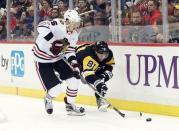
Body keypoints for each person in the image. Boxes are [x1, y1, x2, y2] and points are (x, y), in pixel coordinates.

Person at [32, 9, 85, 116]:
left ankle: (70, 105)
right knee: (56, 89)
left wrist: (75, 66)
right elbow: (40, 26)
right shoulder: (57, 24)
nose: (76, 26)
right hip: (42, 60)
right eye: (73, 23)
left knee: (74, 80)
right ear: (66, 20)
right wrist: (54, 41)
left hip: (57, 58)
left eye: (77, 23)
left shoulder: (74, 34)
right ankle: (48, 98)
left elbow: (69, 51)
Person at [76, 41, 115, 112]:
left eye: (105, 55)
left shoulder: (109, 54)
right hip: (79, 62)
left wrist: (102, 79)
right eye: (101, 55)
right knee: (83, 79)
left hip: (94, 66)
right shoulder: (89, 56)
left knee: (108, 76)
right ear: (95, 52)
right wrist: (98, 83)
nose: (103, 57)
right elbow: (88, 76)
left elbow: (110, 66)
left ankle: (99, 98)